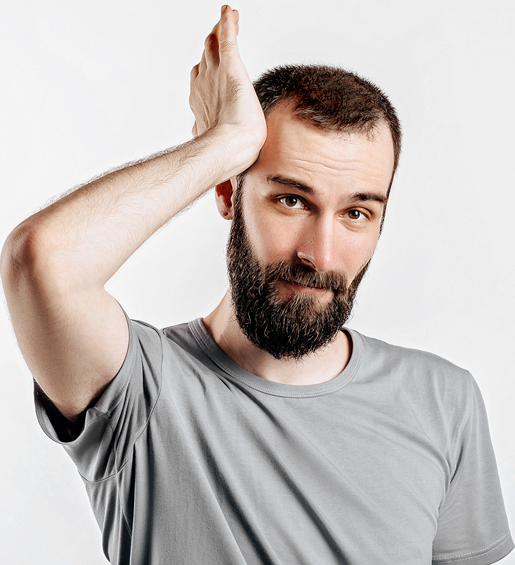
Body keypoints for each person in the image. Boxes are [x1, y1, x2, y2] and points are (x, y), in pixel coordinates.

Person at [1, 5, 513, 565]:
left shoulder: (444, 400)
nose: (320, 255)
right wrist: (225, 143)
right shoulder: (138, 391)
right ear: (227, 193)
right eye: (291, 200)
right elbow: (40, 261)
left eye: (357, 214)